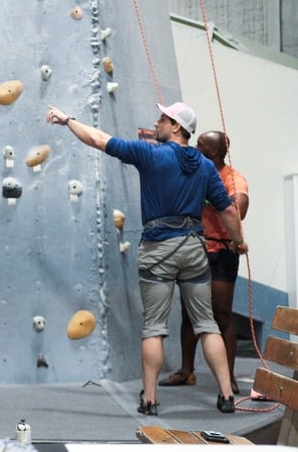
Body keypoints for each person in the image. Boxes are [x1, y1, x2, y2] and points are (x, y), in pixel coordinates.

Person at [45, 102, 248, 415]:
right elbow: (228, 210)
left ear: (176, 127)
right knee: (207, 323)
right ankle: (226, 395)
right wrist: (239, 242)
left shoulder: (150, 154)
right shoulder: (206, 166)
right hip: (194, 247)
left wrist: (68, 119)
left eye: (163, 118)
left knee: (154, 327)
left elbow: (98, 139)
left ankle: (150, 400)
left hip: (158, 247)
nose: (157, 122)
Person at [159, 131, 249, 394]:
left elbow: (237, 209)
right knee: (189, 314)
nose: (195, 148)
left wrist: (211, 198)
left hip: (221, 252)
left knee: (222, 315)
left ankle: (229, 377)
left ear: (212, 153)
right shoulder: (195, 172)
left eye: (200, 146)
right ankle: (187, 371)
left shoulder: (233, 178)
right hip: (194, 247)